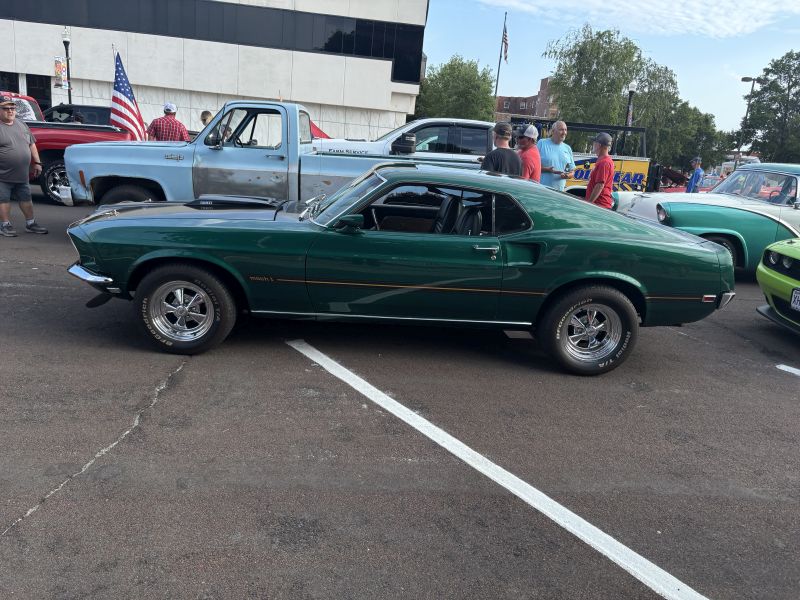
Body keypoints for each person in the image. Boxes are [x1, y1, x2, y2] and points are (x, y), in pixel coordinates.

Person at [0, 95, 48, 237]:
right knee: (3, 200)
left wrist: (37, 163)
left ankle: (30, 223)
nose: (10, 111)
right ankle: (5, 225)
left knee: (26, 199)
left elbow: (31, 144)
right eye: (6, 108)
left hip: (22, 174)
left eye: (12, 108)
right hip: (2, 175)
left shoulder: (21, 124)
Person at [537, 120, 575, 192]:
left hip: (558, 193)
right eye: (561, 130)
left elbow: (572, 172)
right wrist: (547, 170)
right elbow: (533, 166)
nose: (564, 133)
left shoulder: (567, 148)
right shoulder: (542, 143)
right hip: (541, 190)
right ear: (553, 131)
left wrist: (567, 175)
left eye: (565, 130)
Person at [585, 132, 615, 209]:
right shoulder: (602, 160)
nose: (593, 144)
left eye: (594, 142)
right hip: (598, 205)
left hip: (600, 206)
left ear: (599, 145)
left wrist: (588, 204)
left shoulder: (604, 162)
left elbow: (599, 185)